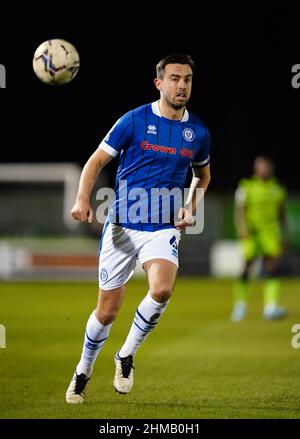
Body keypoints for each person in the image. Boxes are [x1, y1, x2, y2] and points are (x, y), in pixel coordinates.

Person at [66, 53, 211, 403]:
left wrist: (190, 208)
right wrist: (82, 199)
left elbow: (202, 176)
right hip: (122, 226)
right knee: (107, 311)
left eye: (188, 79)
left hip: (162, 227)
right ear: (159, 82)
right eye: (175, 78)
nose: (182, 85)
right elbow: (96, 161)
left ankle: (126, 355)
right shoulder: (133, 120)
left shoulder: (199, 133)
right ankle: (83, 370)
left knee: (162, 290)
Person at [231, 155, 289, 322]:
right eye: (261, 166)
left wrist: (286, 233)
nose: (264, 169)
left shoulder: (277, 188)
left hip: (270, 234)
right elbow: (240, 209)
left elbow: (282, 213)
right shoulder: (246, 186)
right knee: (247, 267)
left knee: (272, 268)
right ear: (256, 168)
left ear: (271, 168)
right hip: (252, 233)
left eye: (267, 166)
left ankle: (270, 307)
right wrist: (241, 227)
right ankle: (240, 306)